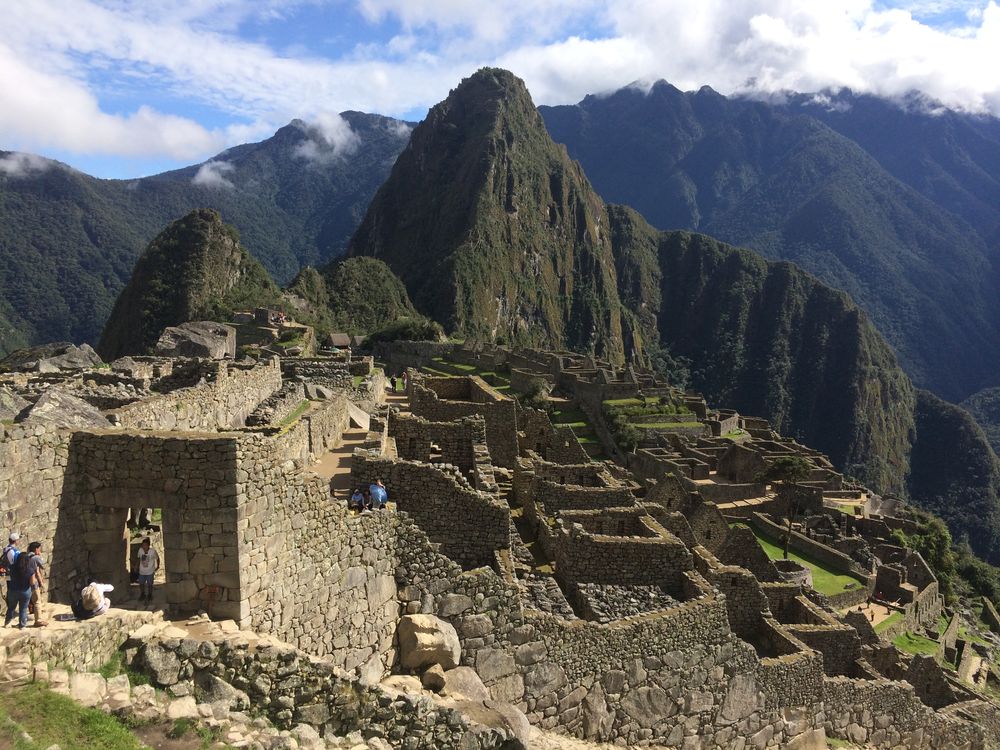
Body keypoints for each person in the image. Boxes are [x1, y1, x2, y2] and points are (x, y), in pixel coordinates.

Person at [4, 542, 34, 629]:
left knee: (11, 607)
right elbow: (32, 582)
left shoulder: (12, 568)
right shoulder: (30, 570)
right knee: (23, 609)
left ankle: (7, 623)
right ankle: (22, 625)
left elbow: (8, 577)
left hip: (13, 590)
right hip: (25, 591)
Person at [24, 542, 47, 627]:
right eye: (39, 548)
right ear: (36, 549)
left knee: (26, 602)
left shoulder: (25, 556)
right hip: (33, 582)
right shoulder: (35, 557)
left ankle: (22, 621)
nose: (40, 550)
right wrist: (40, 556)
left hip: (25, 582)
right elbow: (43, 565)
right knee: (37, 601)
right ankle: (38, 620)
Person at [137, 537, 159, 604]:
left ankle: (150, 594)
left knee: (150, 584)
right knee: (141, 583)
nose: (144, 547)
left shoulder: (152, 551)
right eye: (143, 545)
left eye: (145, 545)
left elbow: (157, 558)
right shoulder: (140, 550)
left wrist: (158, 566)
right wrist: (136, 566)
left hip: (150, 571)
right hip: (142, 571)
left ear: (148, 545)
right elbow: (138, 558)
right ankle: (142, 594)